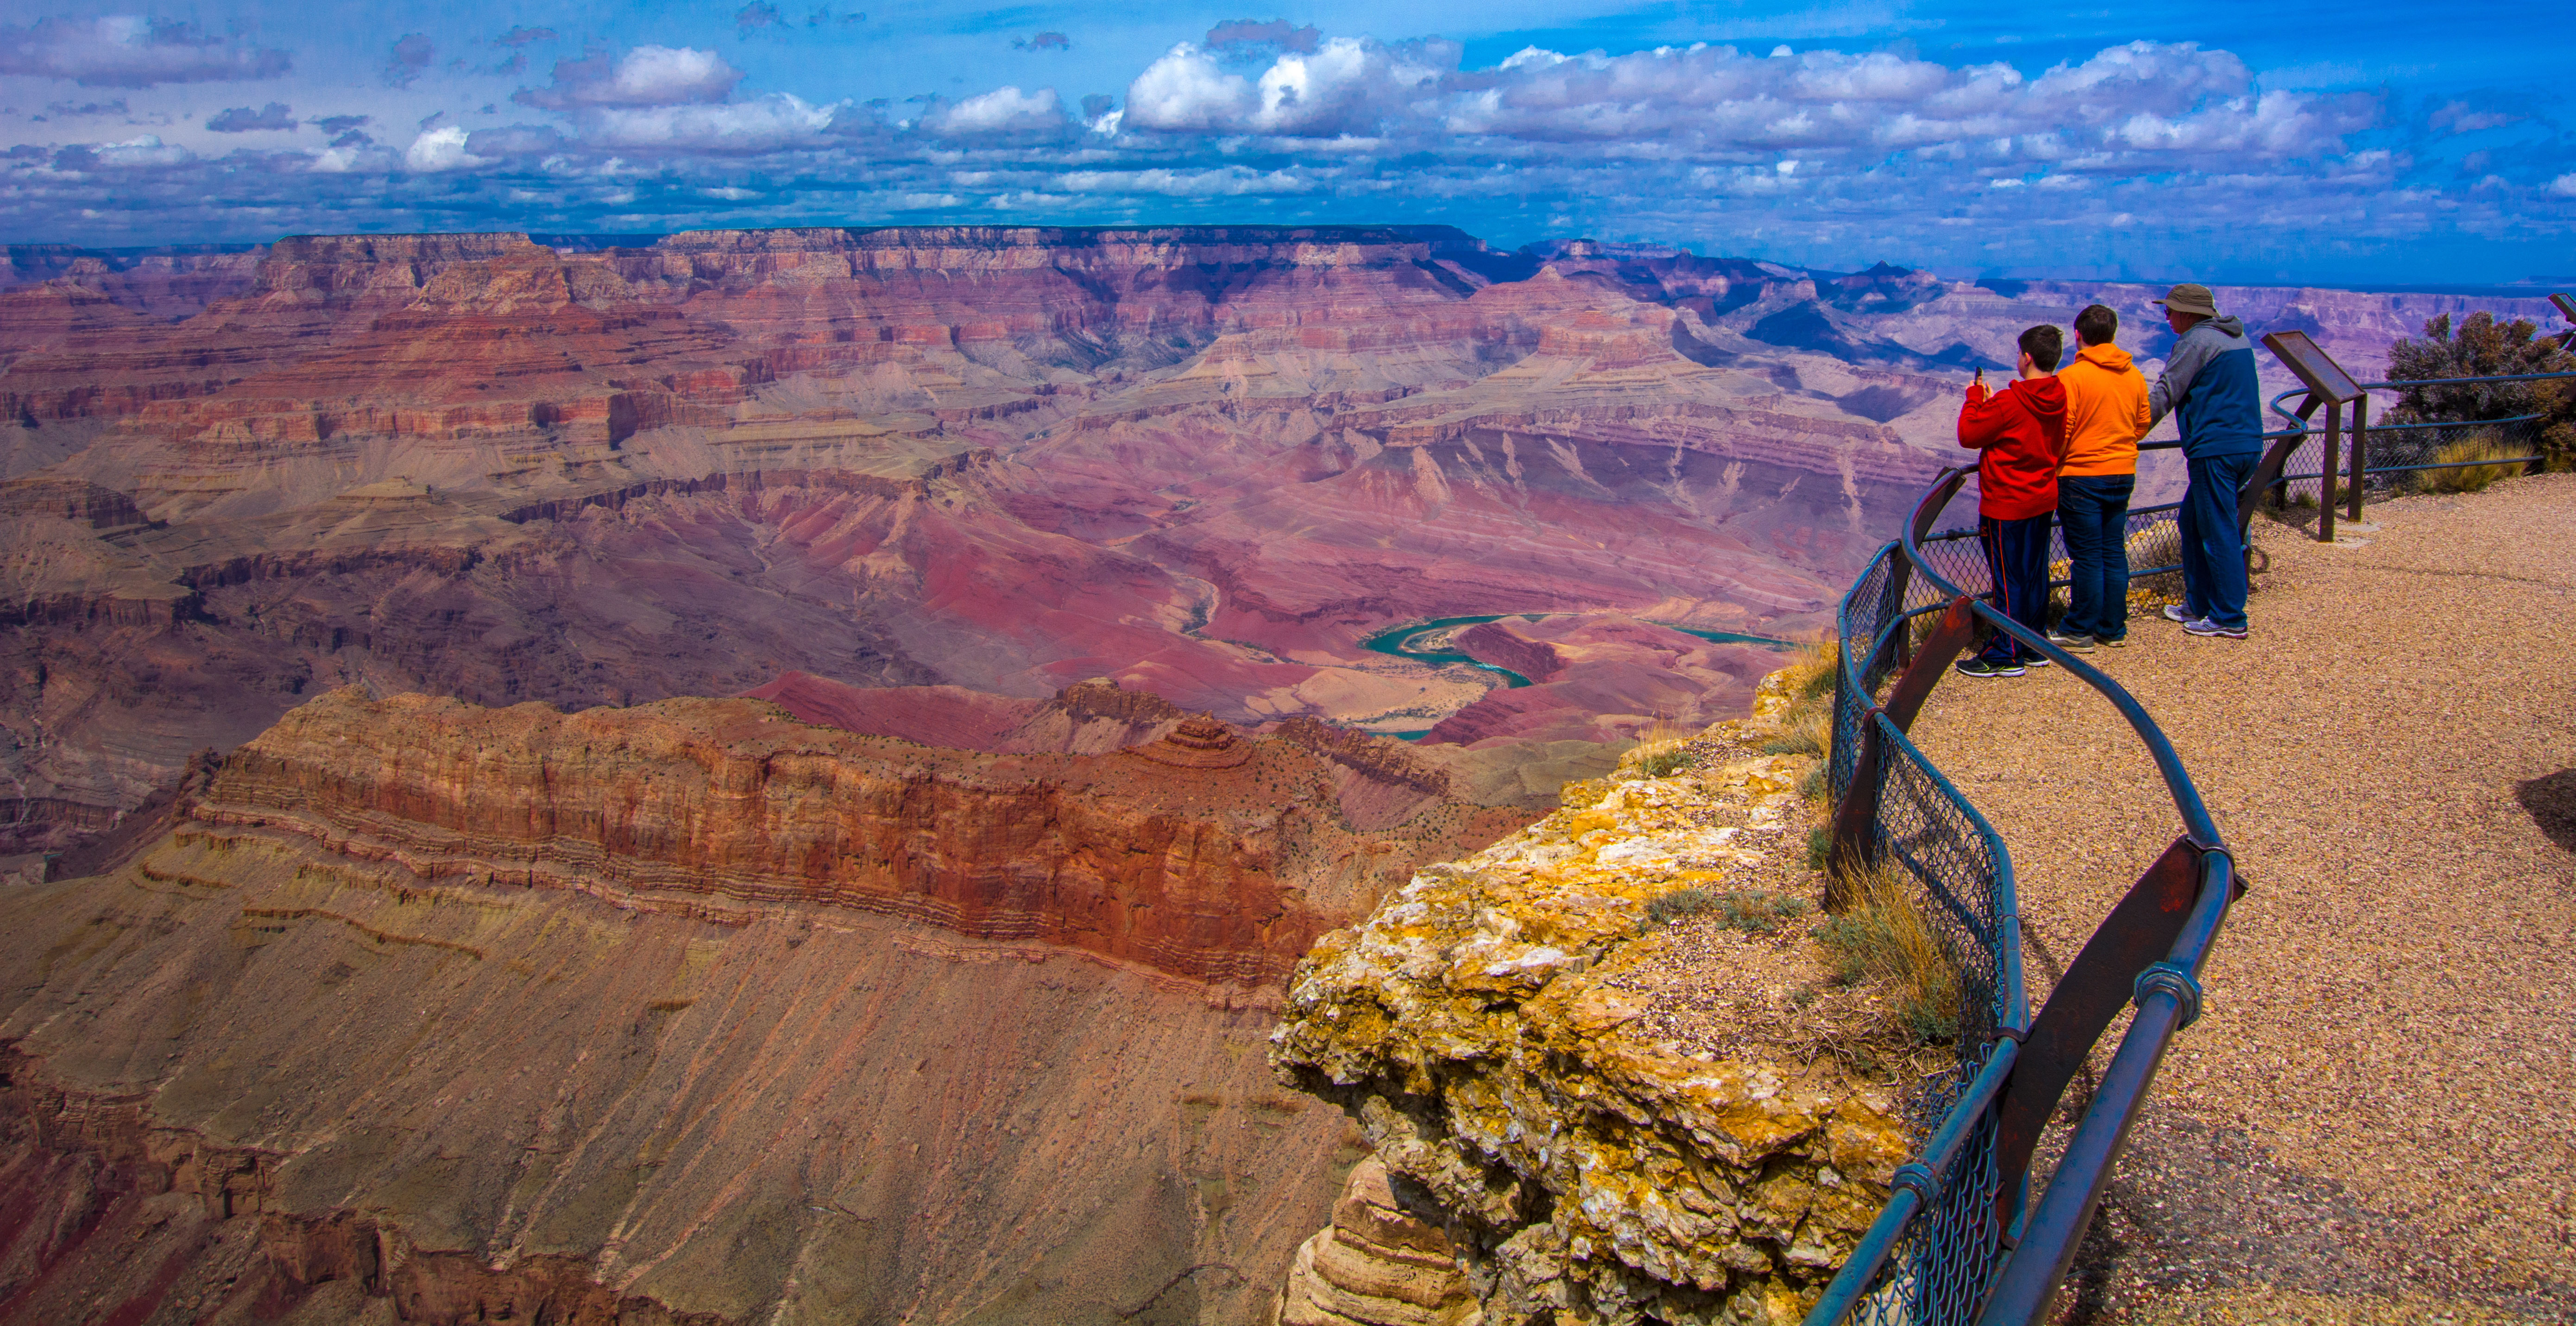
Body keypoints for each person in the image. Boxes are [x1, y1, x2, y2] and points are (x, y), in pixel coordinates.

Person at [2148, 283, 2263, 640]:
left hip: (2215, 448)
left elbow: (2167, 391)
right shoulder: (2236, 339)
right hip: (2246, 444)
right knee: (2193, 521)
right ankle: (2197, 603)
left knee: (2217, 530)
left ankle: (2228, 617)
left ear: (2187, 313)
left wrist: (2124, 431)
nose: (2166, 318)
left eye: (2169, 311)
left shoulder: (2195, 342)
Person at [1954, 324, 2069, 679]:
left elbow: (1968, 435)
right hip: (2041, 497)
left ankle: (2005, 651)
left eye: (2019, 353)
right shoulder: (2059, 394)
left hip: (2007, 502)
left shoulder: (2010, 401)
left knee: (2008, 579)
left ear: (2027, 357)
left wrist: (1975, 399)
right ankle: (2033, 642)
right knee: (2034, 573)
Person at [2049, 304, 2154, 651]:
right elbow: (2141, 425)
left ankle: (2079, 628)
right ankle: (2112, 627)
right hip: (2123, 472)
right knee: (2113, 551)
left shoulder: (2071, 378)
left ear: (2077, 336)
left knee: (2088, 556)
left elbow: (2061, 432)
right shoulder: (2134, 375)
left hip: (2081, 476)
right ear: (2112, 336)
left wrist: (2060, 458)